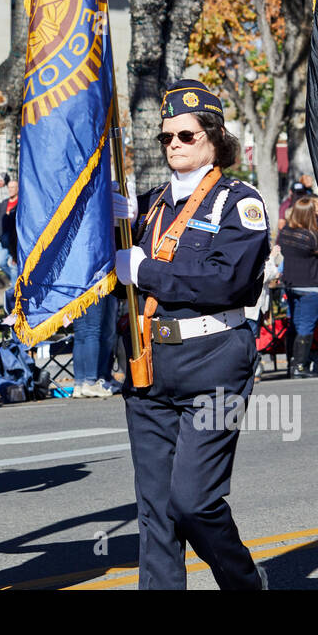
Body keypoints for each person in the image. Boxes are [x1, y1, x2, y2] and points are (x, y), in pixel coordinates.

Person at [111, 80, 270, 590]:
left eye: (186, 134)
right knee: (155, 509)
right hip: (150, 361)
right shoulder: (151, 205)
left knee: (193, 500)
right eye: (166, 138)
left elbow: (230, 281)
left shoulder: (237, 202)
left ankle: (245, 582)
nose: (174, 144)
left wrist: (147, 271)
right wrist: (110, 223)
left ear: (214, 139)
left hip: (213, 359)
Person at [277, 196, 318, 378]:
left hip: (291, 283)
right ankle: (299, 367)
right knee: (306, 326)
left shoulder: (286, 232)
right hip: (311, 285)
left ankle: (291, 364)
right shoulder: (312, 237)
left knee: (294, 324)